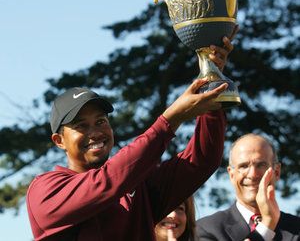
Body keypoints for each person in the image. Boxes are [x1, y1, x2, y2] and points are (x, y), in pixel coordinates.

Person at [26, 37, 232, 241]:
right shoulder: (45, 191)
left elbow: (201, 161)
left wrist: (211, 85)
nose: (96, 132)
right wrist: (169, 120)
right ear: (59, 141)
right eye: (81, 126)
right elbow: (105, 183)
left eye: (100, 121)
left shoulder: (137, 187)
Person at [196, 133, 300, 241]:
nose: (252, 174)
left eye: (261, 165)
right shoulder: (205, 229)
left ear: (277, 172)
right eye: (244, 166)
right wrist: (266, 227)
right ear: (231, 175)